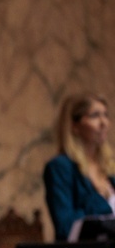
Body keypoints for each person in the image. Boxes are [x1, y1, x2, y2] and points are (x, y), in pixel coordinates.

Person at [43, 93, 115, 240]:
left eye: (105, 115)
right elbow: (65, 227)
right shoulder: (61, 168)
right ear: (74, 126)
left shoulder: (109, 170)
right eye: (95, 115)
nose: (104, 123)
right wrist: (99, 202)